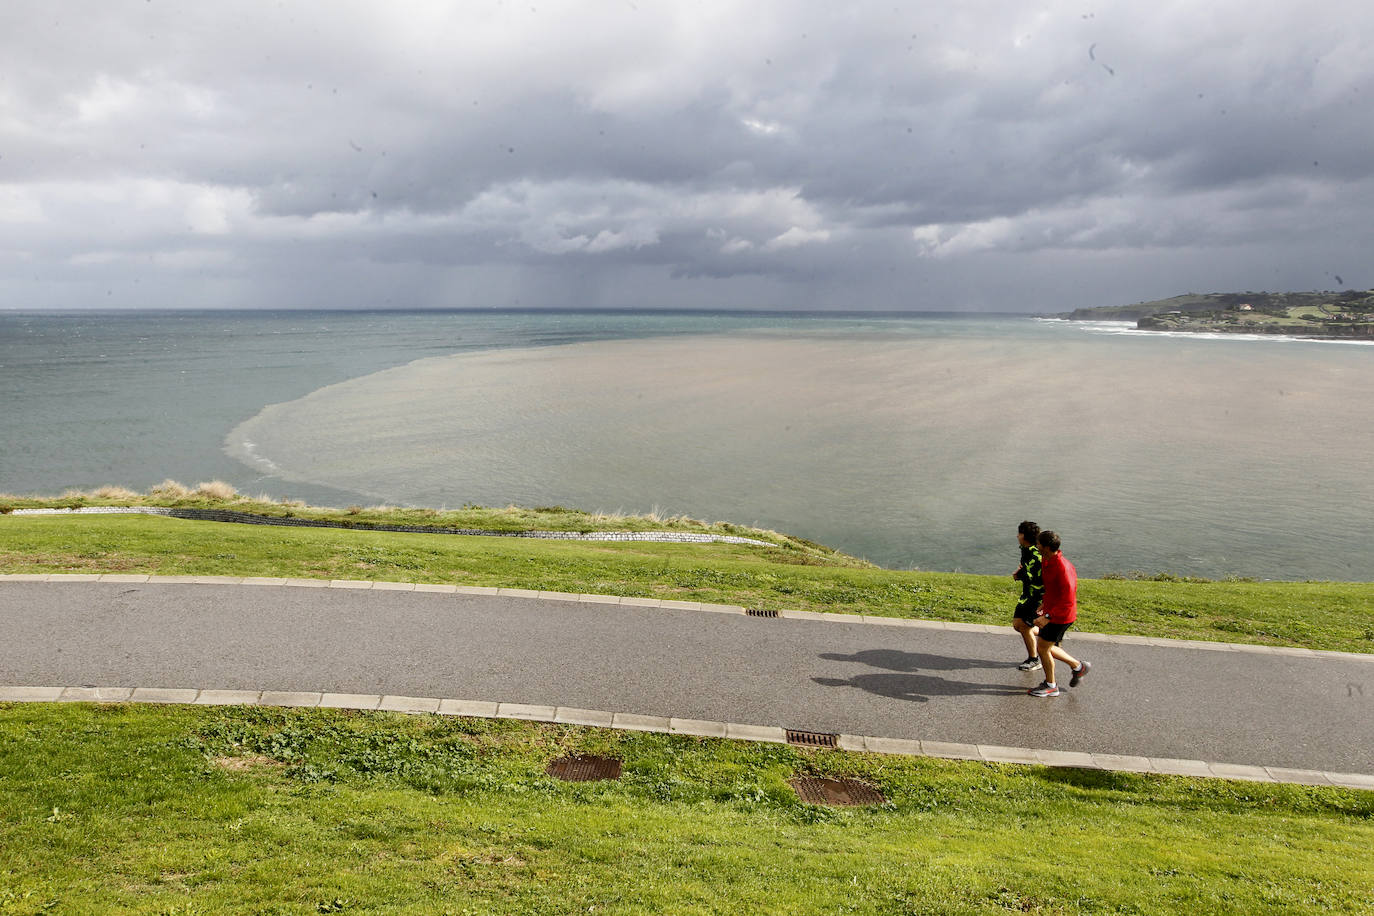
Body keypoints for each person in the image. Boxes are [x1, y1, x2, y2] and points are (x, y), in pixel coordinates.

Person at [1027, 529, 1091, 697]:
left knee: (1042, 647)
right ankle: (1078, 667)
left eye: (1039, 544)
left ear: (1046, 547)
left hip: (1061, 615)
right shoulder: (1047, 560)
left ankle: (1051, 685)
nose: (1037, 546)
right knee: (1044, 645)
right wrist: (1044, 604)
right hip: (1053, 611)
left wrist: (1048, 617)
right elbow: (1054, 590)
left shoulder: (1063, 568)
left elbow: (1067, 598)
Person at [1010, 520, 1044, 670]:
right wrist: (1020, 573)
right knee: (1018, 624)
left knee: (1023, 625)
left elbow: (1037, 577)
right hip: (1027, 595)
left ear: (1023, 535)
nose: (1017, 536)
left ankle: (1034, 659)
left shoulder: (1036, 554)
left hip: (1035, 597)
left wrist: (1020, 575)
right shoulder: (1027, 549)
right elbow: (1027, 569)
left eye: (1019, 533)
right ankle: (1044, 632)